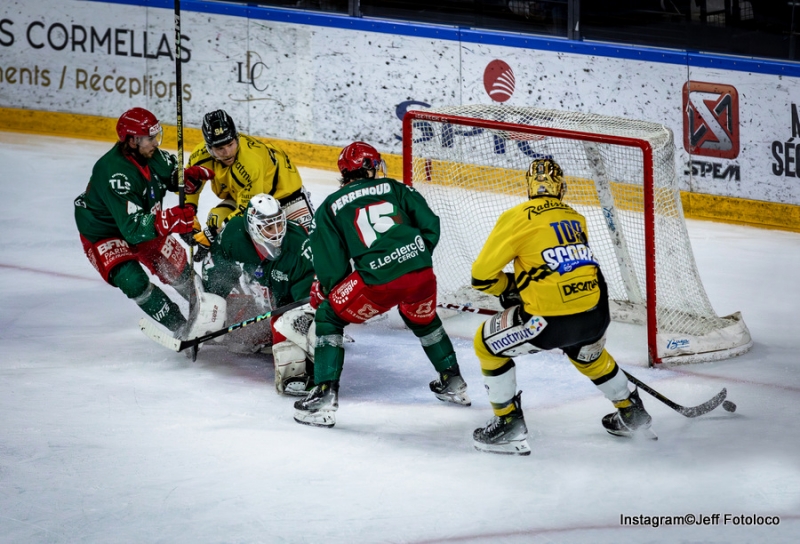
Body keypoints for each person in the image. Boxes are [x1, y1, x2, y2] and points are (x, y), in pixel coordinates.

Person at [469, 158, 655, 455]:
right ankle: (631, 412)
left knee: (485, 345)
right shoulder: (576, 217)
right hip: (595, 317)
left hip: (547, 325)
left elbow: (480, 276)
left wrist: (508, 288)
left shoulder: (516, 216)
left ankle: (508, 424)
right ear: (562, 188)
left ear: (529, 186)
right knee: (588, 354)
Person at [293, 141, 471, 428]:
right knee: (420, 316)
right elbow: (430, 224)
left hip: (378, 283)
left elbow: (331, 262)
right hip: (421, 272)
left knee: (328, 315)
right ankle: (453, 380)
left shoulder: (329, 207)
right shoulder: (396, 188)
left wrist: (328, 289)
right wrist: (412, 258)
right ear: (369, 167)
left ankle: (324, 395)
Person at [74, 107, 217, 335]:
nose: (155, 143)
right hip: (104, 232)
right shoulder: (113, 173)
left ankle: (212, 313)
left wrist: (186, 179)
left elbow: (171, 176)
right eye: (150, 138)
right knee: (132, 281)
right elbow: (131, 229)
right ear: (132, 141)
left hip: (142, 221)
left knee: (176, 267)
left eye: (155, 136)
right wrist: (170, 219)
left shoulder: (151, 154)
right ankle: (181, 327)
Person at [201, 193, 316, 395]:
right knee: (238, 338)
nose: (277, 233)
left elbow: (306, 300)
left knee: (291, 324)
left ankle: (296, 370)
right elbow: (216, 265)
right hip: (262, 292)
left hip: (288, 298)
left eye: (279, 225)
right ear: (253, 227)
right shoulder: (235, 233)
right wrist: (212, 302)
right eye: (269, 228)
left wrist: (293, 326)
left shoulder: (298, 244)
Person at [184, 109, 314, 262]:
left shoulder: (251, 161)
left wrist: (211, 234)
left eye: (230, 144)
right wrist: (188, 217)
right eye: (220, 148)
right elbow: (189, 188)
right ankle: (235, 268)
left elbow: (248, 209)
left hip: (286, 195)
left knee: (309, 245)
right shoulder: (200, 157)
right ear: (209, 148)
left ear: (236, 138)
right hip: (242, 196)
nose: (227, 152)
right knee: (216, 220)